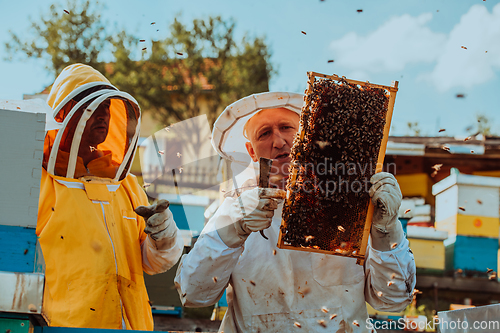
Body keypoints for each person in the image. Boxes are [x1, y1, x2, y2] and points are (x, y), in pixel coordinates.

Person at [175, 92, 416, 332]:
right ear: (251, 151)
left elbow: (392, 300)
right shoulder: (234, 207)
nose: (279, 141)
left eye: (286, 128)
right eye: (265, 133)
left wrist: (387, 230)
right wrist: (234, 231)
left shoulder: (351, 203)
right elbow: (194, 294)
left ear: (308, 136)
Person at [37, 64, 184, 330]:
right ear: (64, 115)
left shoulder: (125, 184)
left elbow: (153, 263)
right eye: (90, 109)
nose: (102, 116)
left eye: (106, 109)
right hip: (62, 326)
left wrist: (164, 235)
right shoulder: (40, 184)